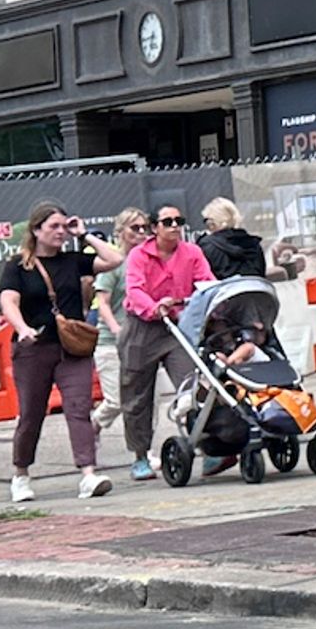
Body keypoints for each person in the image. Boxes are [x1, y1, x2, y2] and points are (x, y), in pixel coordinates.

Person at [0, 202, 110, 506]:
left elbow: (114, 259)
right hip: (34, 347)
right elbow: (8, 301)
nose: (61, 232)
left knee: (79, 408)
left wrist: (84, 235)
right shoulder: (18, 266)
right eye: (54, 227)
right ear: (36, 230)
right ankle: (20, 474)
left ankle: (88, 474)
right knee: (32, 413)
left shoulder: (73, 261)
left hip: (72, 347)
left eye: (64, 227)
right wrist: (21, 328)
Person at [118, 203, 206, 481]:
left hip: (177, 326)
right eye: (167, 222)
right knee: (136, 397)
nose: (174, 226)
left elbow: (205, 282)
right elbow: (134, 289)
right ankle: (140, 456)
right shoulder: (138, 255)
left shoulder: (192, 252)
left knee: (192, 388)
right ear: (154, 228)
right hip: (142, 327)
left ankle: (207, 444)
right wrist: (153, 307)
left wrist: (197, 301)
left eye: (179, 220)